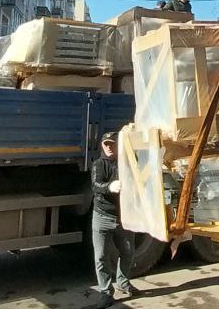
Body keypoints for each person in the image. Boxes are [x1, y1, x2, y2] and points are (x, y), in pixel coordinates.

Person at [91, 131, 136, 305]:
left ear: (119, 145)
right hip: (102, 216)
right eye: (106, 144)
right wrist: (109, 186)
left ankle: (123, 283)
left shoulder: (127, 163)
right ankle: (105, 292)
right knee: (101, 256)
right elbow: (95, 184)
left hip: (123, 217)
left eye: (112, 144)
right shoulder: (98, 165)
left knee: (127, 252)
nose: (109, 147)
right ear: (102, 146)